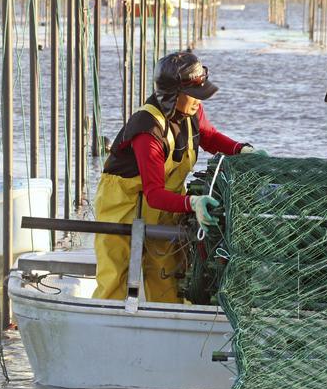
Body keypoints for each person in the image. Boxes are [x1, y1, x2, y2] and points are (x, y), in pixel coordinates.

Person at [93, 51, 263, 302]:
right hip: (123, 207)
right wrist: (193, 203)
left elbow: (208, 136)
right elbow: (153, 193)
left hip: (168, 205)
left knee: (167, 275)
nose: (198, 100)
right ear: (172, 94)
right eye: (193, 94)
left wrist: (241, 150)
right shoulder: (148, 130)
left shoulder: (191, 111)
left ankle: (168, 319)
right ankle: (106, 319)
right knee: (115, 276)